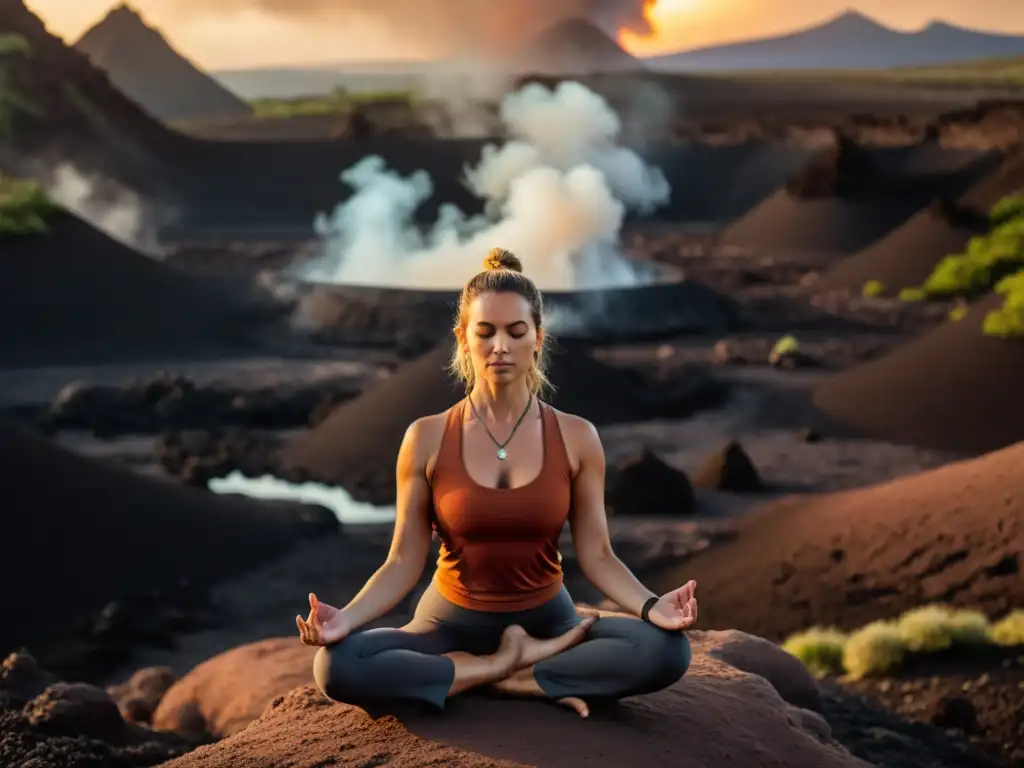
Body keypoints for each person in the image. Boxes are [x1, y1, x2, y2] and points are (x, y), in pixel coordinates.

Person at [297, 247, 698, 719]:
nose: (500, 347)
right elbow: (404, 560)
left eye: (516, 331)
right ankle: (505, 669)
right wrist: (346, 618)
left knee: (669, 652)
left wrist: (653, 608)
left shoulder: (576, 437)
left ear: (538, 338)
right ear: (462, 338)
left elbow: (598, 555)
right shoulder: (425, 437)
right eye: (484, 332)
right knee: (337, 666)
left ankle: (496, 677)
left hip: (548, 622)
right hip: (448, 624)